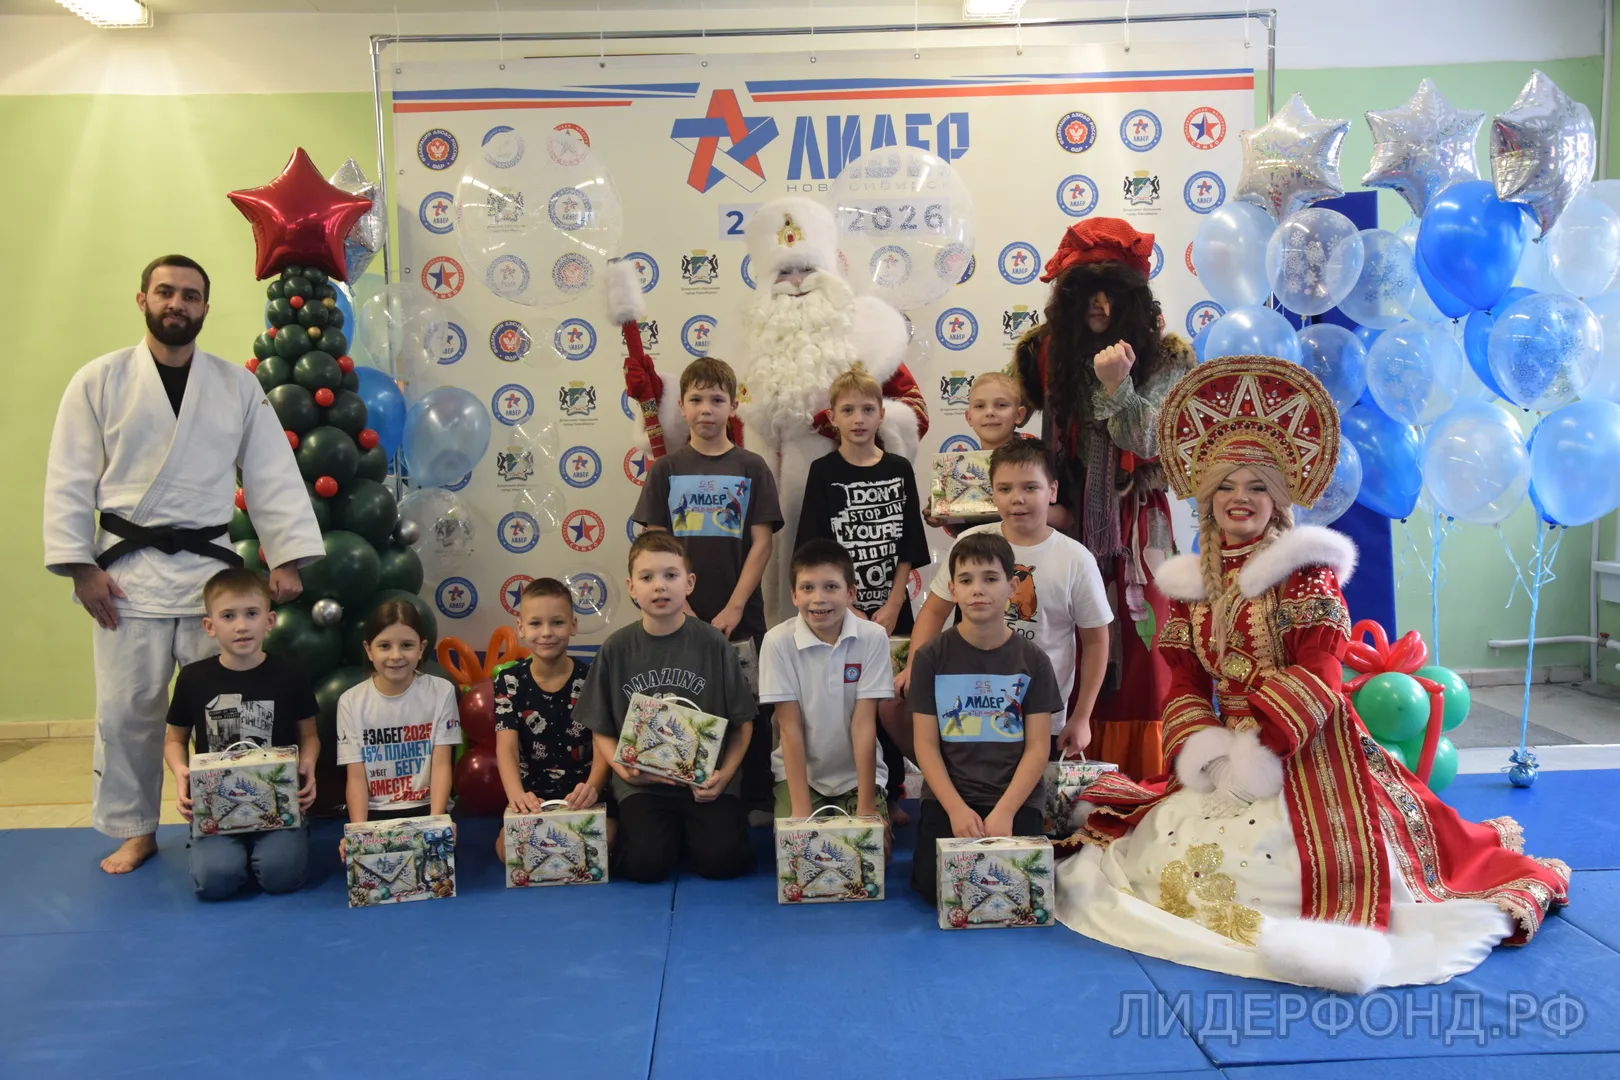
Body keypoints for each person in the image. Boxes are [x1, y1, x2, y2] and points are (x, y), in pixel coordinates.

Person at [1054, 355, 1571, 993]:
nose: (1239, 499)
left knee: (1306, 863)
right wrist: (1205, 752)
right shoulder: (1192, 584)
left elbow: (1320, 669)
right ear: (1207, 496)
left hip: (1307, 742)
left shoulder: (1305, 571)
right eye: (1226, 486)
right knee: (1165, 848)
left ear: (1279, 497)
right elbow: (1184, 679)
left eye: (1256, 486)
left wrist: (1260, 749)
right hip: (1225, 751)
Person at [43, 255, 324, 874]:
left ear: (205, 308)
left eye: (190, 295)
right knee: (127, 712)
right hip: (125, 577)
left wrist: (285, 556)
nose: (177, 303)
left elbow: (272, 471)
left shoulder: (234, 385)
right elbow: (69, 476)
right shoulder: (99, 380)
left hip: (210, 580)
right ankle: (135, 829)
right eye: (165, 292)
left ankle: (238, 815)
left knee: (229, 711)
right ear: (142, 299)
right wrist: (80, 567)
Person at [1010, 219, 1197, 779]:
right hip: (1061, 520)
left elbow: (1149, 441)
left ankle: (1142, 780)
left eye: (1111, 291)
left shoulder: (1165, 356)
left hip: (1136, 530)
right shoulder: (1044, 352)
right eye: (1086, 290)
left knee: (1142, 650)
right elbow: (1010, 426)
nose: (1098, 304)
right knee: (1058, 636)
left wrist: (1117, 385)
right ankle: (1059, 774)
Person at [894, 438, 1111, 759]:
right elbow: (934, 611)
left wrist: (1082, 717)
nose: (1017, 499)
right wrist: (914, 665)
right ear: (992, 493)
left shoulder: (1076, 559)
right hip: (968, 707)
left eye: (1030, 488)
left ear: (1052, 491)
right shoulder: (970, 543)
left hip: (1039, 716)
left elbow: (1095, 641)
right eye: (1005, 488)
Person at [633, 356, 782, 817]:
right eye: (696, 400)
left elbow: (761, 544)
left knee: (751, 707)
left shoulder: (751, 466)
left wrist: (735, 607)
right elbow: (653, 545)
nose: (706, 409)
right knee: (683, 700)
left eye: (717, 400)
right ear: (681, 406)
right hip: (676, 615)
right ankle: (683, 790)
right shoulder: (666, 470)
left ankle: (756, 797)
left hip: (741, 615)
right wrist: (682, 608)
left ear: (733, 405)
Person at [574, 531, 758, 883]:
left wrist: (724, 777)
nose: (659, 586)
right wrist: (622, 769)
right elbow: (600, 727)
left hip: (707, 783)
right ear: (631, 587)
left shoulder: (714, 644)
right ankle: (669, 838)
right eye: (647, 577)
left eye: (670, 575)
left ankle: (692, 836)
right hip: (642, 786)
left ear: (689, 583)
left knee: (723, 862)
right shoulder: (616, 648)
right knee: (646, 865)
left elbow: (743, 723)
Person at [793, 367, 929, 822]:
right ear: (832, 417)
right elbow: (814, 547)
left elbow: (910, 545)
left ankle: (892, 793)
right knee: (848, 700)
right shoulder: (823, 472)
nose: (858, 418)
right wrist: (847, 606)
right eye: (848, 410)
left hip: (893, 611)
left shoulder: (898, 469)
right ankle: (853, 790)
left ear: (881, 415)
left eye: (867, 409)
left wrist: (892, 604)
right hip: (837, 612)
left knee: (891, 699)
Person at [908, 532, 1063, 903]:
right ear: (952, 589)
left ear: (1011, 586)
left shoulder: (1034, 661)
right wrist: (956, 809)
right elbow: (925, 745)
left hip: (1014, 798)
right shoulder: (930, 657)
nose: (978, 589)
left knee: (1023, 885)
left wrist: (1006, 811)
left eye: (990, 578)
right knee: (935, 888)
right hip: (951, 798)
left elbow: (1038, 747)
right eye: (966, 580)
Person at [163, 568, 317, 900]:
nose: (242, 626)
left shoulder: (291, 675)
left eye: (251, 613)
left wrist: (308, 765)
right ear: (210, 626)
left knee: (281, 877)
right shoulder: (193, 679)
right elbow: (174, 740)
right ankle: (225, 855)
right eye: (228, 616)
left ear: (270, 620)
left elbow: (309, 736)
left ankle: (275, 848)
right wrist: (180, 772)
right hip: (217, 806)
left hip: (277, 803)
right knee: (215, 882)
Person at [763, 540, 894, 843]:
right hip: (800, 776)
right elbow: (789, 728)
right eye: (807, 588)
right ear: (794, 595)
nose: (818, 599)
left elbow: (864, 724)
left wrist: (866, 808)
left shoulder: (873, 637)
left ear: (851, 593)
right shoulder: (777, 642)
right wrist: (801, 814)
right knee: (800, 854)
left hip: (857, 776)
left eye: (831, 587)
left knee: (871, 855)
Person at [493, 577, 612, 861]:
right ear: (521, 627)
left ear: (573, 625)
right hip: (533, 795)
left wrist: (593, 787)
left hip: (581, 793)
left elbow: (603, 744)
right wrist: (516, 795)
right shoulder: (508, 681)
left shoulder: (592, 678)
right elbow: (506, 747)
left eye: (557, 623)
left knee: (607, 839)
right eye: (535, 623)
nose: (546, 633)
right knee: (505, 852)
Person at [335, 600, 460, 857]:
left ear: (421, 648)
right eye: (384, 646)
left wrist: (437, 822)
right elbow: (356, 776)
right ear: (369, 650)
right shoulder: (350, 701)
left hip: (426, 806)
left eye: (406, 645)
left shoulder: (441, 691)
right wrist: (358, 832)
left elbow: (441, 764)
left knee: (435, 868)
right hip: (375, 812)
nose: (396, 656)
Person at [924, 371, 1027, 534]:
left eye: (1001, 405)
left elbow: (1062, 515)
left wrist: (1027, 510)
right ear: (969, 417)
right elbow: (964, 527)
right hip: (979, 548)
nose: (989, 412)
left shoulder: (1034, 461)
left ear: (1019, 415)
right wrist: (943, 514)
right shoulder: (960, 469)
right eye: (980, 406)